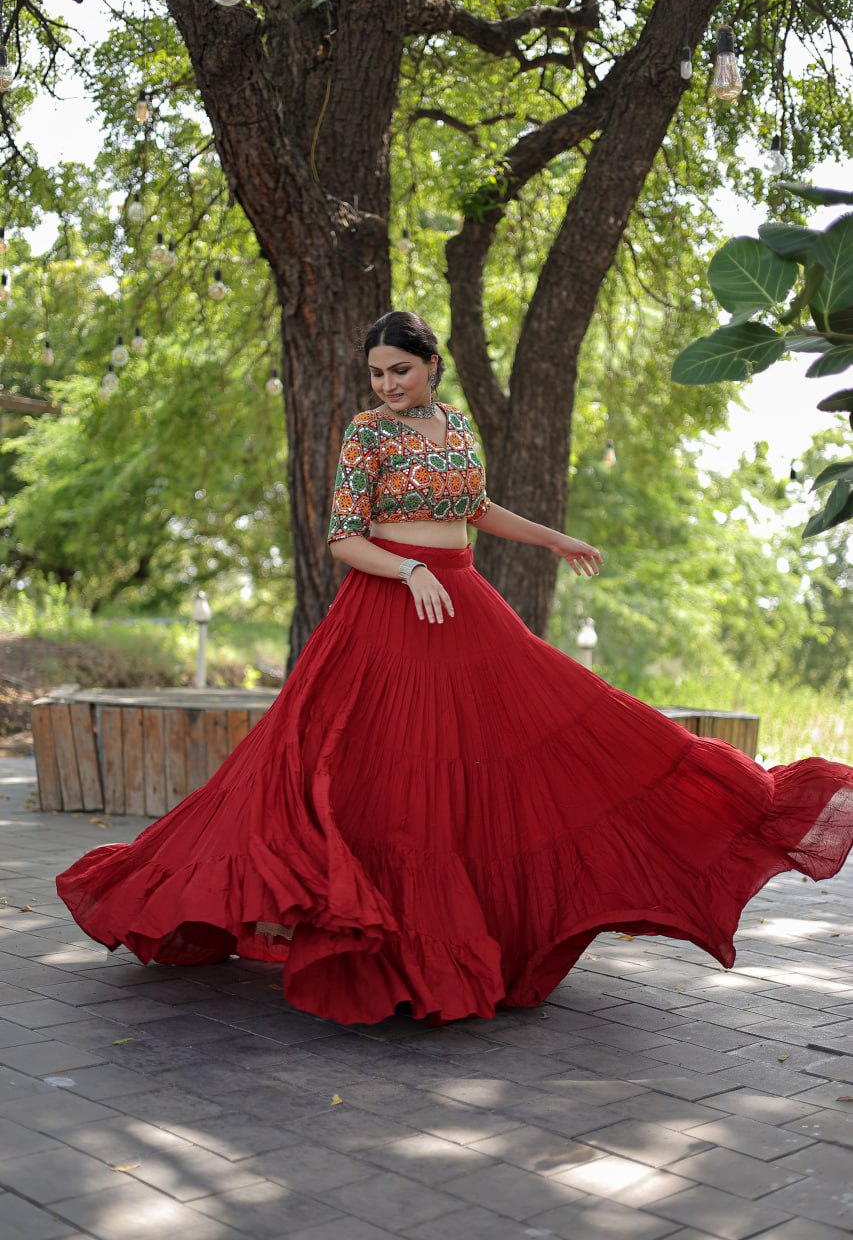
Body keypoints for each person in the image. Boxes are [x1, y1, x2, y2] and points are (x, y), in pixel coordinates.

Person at [57, 311, 853, 1028]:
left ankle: (502, 924)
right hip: (389, 609)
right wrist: (406, 573)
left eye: (397, 370)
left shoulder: (457, 424)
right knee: (387, 775)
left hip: (463, 603)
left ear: (431, 365)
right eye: (375, 373)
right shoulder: (368, 434)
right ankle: (389, 948)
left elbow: (472, 510)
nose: (386, 384)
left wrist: (555, 540)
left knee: (559, 727)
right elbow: (343, 537)